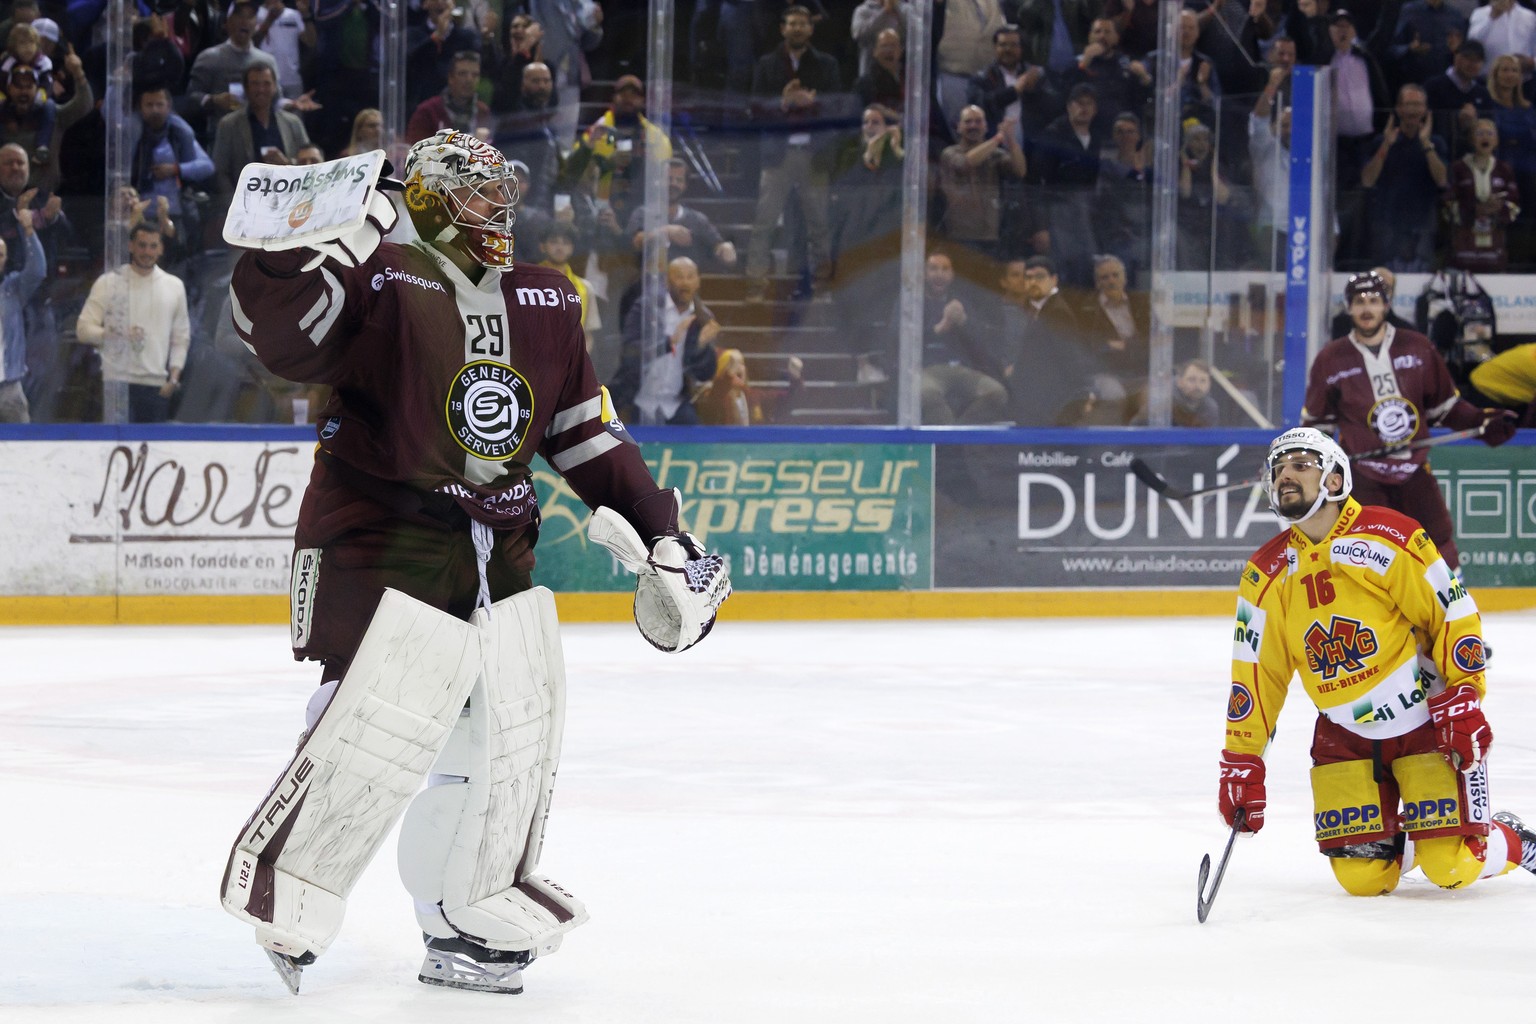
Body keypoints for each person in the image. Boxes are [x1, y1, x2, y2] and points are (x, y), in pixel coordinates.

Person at [218, 128, 731, 993]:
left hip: (503, 541)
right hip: (384, 526)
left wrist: (660, 532)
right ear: (423, 199)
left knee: (497, 742)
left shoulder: (547, 299)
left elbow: (584, 434)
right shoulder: (380, 273)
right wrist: (321, 235)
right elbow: (281, 340)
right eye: (472, 191)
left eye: (500, 191)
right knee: (374, 716)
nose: (496, 208)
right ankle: (293, 893)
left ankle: (462, 917)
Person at [1216, 425, 1536, 898]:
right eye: (1279, 468)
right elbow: (1257, 676)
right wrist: (1242, 760)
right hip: (1343, 734)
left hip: (1424, 723)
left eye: (1301, 465)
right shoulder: (1264, 574)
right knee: (1364, 880)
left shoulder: (1389, 534)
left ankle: (1509, 838)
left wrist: (1464, 696)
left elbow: (1451, 614)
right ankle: (1407, 838)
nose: (1286, 475)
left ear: (1332, 479)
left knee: (1450, 867)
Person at [1302, 270, 1518, 575]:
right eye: (1359, 301)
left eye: (1374, 300)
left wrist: (1483, 420)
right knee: (1362, 549)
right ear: (1348, 307)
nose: (1367, 308)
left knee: (1436, 541)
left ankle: (1450, 609)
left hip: (1414, 469)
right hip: (1364, 475)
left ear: (1386, 304)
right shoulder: (1331, 359)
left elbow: (1446, 408)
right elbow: (1317, 427)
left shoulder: (1417, 347)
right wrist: (1307, 463)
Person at [742, 5, 846, 302]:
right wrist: (783, 103)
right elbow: (755, 109)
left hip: (814, 154)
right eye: (792, 24)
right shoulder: (767, 64)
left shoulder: (826, 64)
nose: (797, 28)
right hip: (778, 154)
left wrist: (812, 103)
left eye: (803, 24)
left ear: (811, 29)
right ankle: (756, 287)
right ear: (782, 29)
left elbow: (836, 106)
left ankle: (822, 288)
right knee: (764, 222)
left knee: (819, 227)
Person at [74, 221, 190, 423]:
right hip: (117, 384)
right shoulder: (108, 282)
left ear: (161, 249)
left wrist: (173, 377)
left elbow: (181, 337)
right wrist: (111, 334)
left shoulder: (174, 286)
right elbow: (83, 329)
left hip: (156, 386)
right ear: (131, 246)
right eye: (142, 245)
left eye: (153, 246)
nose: (147, 251)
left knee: (153, 451)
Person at [611, 255, 721, 426]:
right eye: (679, 277)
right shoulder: (646, 308)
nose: (685, 283)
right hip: (638, 401)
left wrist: (701, 347)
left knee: (696, 445)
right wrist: (668, 343)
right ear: (667, 282)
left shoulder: (702, 318)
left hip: (676, 405)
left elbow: (705, 374)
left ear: (698, 282)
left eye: (690, 277)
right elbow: (629, 352)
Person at [1446, 117, 1520, 272]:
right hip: (1464, 248)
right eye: (1480, 133)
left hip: (1494, 248)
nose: (1485, 137)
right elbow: (1447, 206)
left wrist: (1498, 209)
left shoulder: (1504, 170)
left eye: (1489, 133)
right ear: (1471, 139)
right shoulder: (1458, 168)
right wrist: (1475, 210)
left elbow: (1514, 207)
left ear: (1497, 140)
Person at [0, 184, 43, 422]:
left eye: (0, 255)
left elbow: (37, 271)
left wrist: (28, 229)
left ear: (5, 259)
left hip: (9, 387)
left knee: (24, 451)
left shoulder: (12, 289)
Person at [692, 347, 804, 425]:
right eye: (731, 364)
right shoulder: (709, 396)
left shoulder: (754, 395)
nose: (739, 368)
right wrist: (728, 376)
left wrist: (796, 378)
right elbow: (717, 394)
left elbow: (789, 399)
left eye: (741, 364)